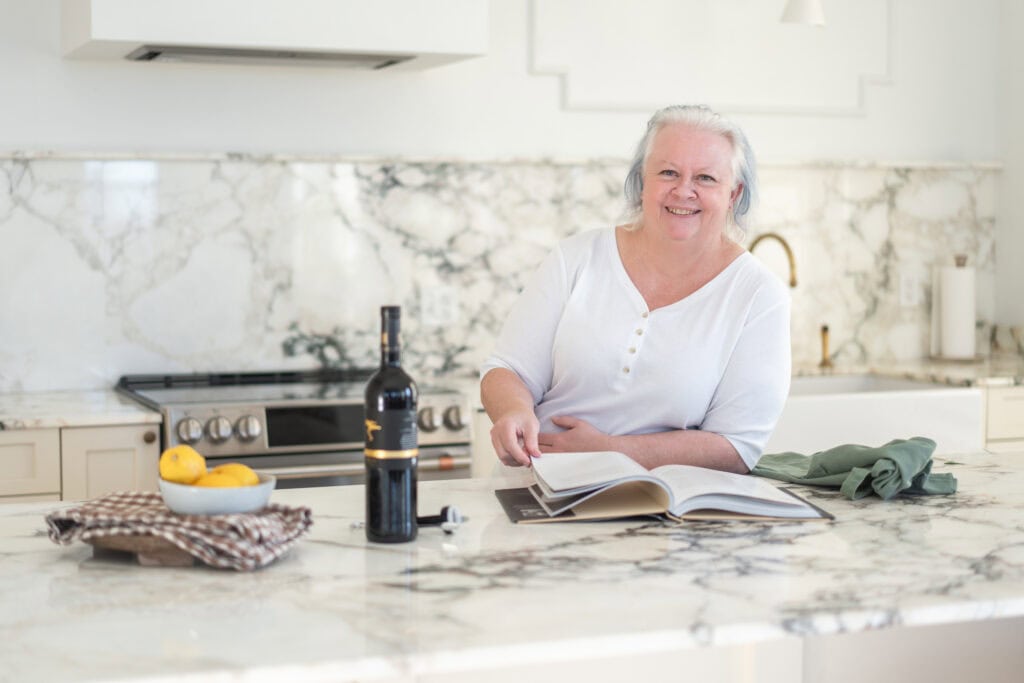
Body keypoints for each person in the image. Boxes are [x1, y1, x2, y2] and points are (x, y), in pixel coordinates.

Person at [479, 104, 791, 474]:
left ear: (734, 194)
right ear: (643, 182)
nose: (683, 190)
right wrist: (513, 410)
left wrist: (608, 451)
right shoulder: (576, 258)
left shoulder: (758, 295)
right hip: (535, 491)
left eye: (705, 178)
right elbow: (508, 369)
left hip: (669, 516)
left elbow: (737, 448)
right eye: (668, 172)